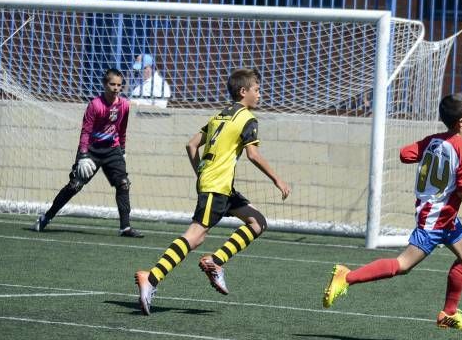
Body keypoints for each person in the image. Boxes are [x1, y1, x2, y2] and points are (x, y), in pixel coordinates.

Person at [322, 92, 462, 330]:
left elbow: (405, 154)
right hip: (435, 219)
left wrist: (430, 155)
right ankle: (346, 276)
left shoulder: (434, 141)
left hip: (445, 216)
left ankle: (448, 314)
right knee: (402, 265)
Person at [134, 68, 291, 316]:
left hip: (220, 186)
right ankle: (151, 277)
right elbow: (253, 154)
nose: (260, 94)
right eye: (257, 90)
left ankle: (216, 261)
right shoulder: (247, 118)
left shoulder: (220, 115)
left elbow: (191, 144)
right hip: (217, 186)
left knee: (257, 222)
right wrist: (278, 180)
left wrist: (202, 172)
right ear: (244, 91)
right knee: (195, 236)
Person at [33, 69, 144, 238]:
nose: (115, 88)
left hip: (112, 150)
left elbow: (122, 130)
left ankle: (125, 227)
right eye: (112, 84)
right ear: (105, 84)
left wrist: (122, 150)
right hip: (91, 150)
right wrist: (83, 155)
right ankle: (45, 218)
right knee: (75, 185)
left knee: (123, 184)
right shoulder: (95, 105)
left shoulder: (124, 105)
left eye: (119, 85)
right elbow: (85, 132)